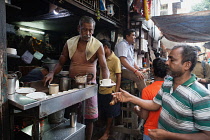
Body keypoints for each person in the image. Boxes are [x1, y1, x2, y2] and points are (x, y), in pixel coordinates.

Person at [112, 45, 210, 140]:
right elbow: (155, 104)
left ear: (187, 65)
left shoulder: (201, 95)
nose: (167, 62)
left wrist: (168, 135)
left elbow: (207, 136)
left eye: (172, 60)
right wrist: (131, 98)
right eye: (168, 59)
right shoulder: (168, 83)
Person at [44, 16, 110, 140]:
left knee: (90, 118)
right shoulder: (70, 43)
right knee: (73, 114)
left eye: (91, 30)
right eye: (85, 30)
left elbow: (104, 67)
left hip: (90, 86)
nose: (88, 33)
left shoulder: (98, 45)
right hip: (72, 85)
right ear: (78, 28)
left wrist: (105, 82)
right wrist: (51, 73)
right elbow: (61, 63)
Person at [134, 57, 167, 140]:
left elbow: (144, 116)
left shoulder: (147, 90)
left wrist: (136, 109)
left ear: (152, 70)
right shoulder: (171, 88)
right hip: (167, 132)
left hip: (150, 132)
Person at [98, 39, 121, 140]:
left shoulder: (115, 59)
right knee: (103, 112)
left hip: (110, 91)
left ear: (106, 47)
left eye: (101, 48)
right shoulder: (101, 59)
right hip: (101, 90)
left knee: (110, 113)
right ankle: (105, 131)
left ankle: (107, 133)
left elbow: (118, 76)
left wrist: (116, 92)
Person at [114, 29, 146, 94]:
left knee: (143, 74)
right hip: (122, 70)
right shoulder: (123, 45)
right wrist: (135, 71)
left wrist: (139, 69)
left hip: (128, 69)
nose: (135, 37)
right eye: (133, 35)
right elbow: (123, 61)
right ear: (127, 36)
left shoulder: (130, 46)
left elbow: (132, 61)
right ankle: (146, 98)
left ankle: (142, 96)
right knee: (139, 77)